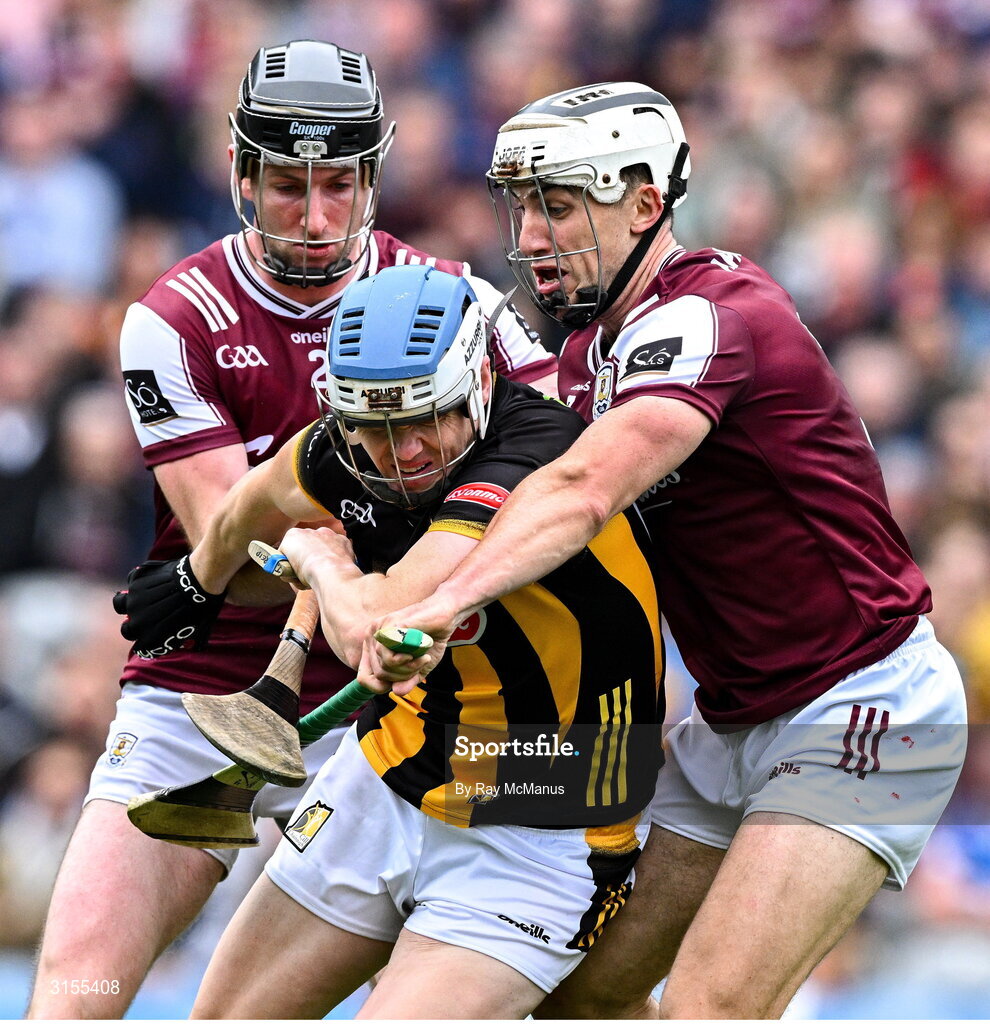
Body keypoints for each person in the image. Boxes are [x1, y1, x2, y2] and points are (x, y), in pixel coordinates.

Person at [371, 82, 970, 1020]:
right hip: (725, 726)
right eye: (521, 206)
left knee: (708, 1009)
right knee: (572, 1001)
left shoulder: (710, 315)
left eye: (559, 205)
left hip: (862, 706)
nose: (529, 237)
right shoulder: (584, 354)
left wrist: (440, 607)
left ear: (646, 202)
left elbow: (578, 491)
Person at [27, 40, 556, 1020]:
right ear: (238, 175)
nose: (315, 218)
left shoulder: (464, 304)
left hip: (402, 710)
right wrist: (346, 590)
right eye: (286, 186)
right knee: (74, 996)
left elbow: (561, 465)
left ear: (375, 177)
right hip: (208, 690)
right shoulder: (175, 320)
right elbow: (234, 553)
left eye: (341, 186)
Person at [121, 264, 665, 1018]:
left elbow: (372, 624)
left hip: (549, 810)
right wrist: (197, 579)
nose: (405, 452)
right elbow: (250, 502)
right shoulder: (340, 448)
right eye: (376, 429)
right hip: (388, 774)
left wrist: (316, 557)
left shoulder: (534, 450)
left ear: (478, 379)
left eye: (426, 419)